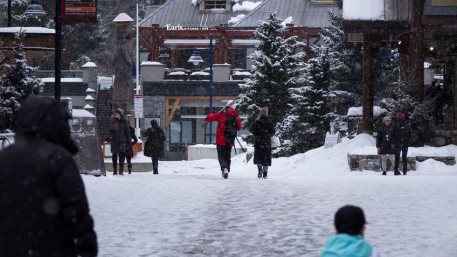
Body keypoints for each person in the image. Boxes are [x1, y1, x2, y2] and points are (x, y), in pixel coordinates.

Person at [0, 96, 98, 257]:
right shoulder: (58, 158)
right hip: (52, 247)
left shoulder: (5, 157)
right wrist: (87, 248)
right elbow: (77, 209)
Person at [205, 103, 241, 179]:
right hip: (230, 140)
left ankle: (224, 168)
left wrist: (211, 114)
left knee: (221, 156)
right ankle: (227, 169)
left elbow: (210, 118)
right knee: (227, 156)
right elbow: (239, 127)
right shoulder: (236, 116)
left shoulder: (221, 115)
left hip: (221, 140)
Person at [249, 107, 275, 179]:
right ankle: (265, 173)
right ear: (267, 114)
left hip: (258, 141)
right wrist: (268, 135)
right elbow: (273, 131)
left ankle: (260, 170)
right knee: (266, 157)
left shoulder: (257, 122)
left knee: (259, 156)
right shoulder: (269, 122)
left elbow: (251, 130)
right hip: (267, 142)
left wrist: (257, 134)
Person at [109, 108, 131, 175]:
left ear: (120, 114)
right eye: (114, 113)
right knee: (114, 155)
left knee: (122, 155)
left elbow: (127, 131)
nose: (115, 115)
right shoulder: (112, 121)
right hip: (114, 140)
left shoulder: (124, 121)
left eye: (117, 113)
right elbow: (110, 130)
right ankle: (115, 171)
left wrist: (129, 140)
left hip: (122, 141)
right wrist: (109, 136)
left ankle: (121, 170)